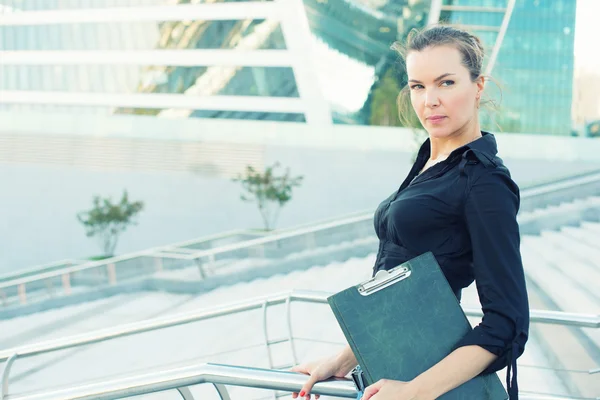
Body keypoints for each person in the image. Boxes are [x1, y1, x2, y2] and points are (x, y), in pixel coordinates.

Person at [291, 25, 530, 400]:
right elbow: (406, 290)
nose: (429, 100)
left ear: (478, 87)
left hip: (426, 381)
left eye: (446, 83)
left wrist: (415, 392)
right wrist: (343, 359)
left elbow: (507, 324)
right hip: (390, 369)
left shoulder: (485, 182)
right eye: (418, 86)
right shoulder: (430, 160)